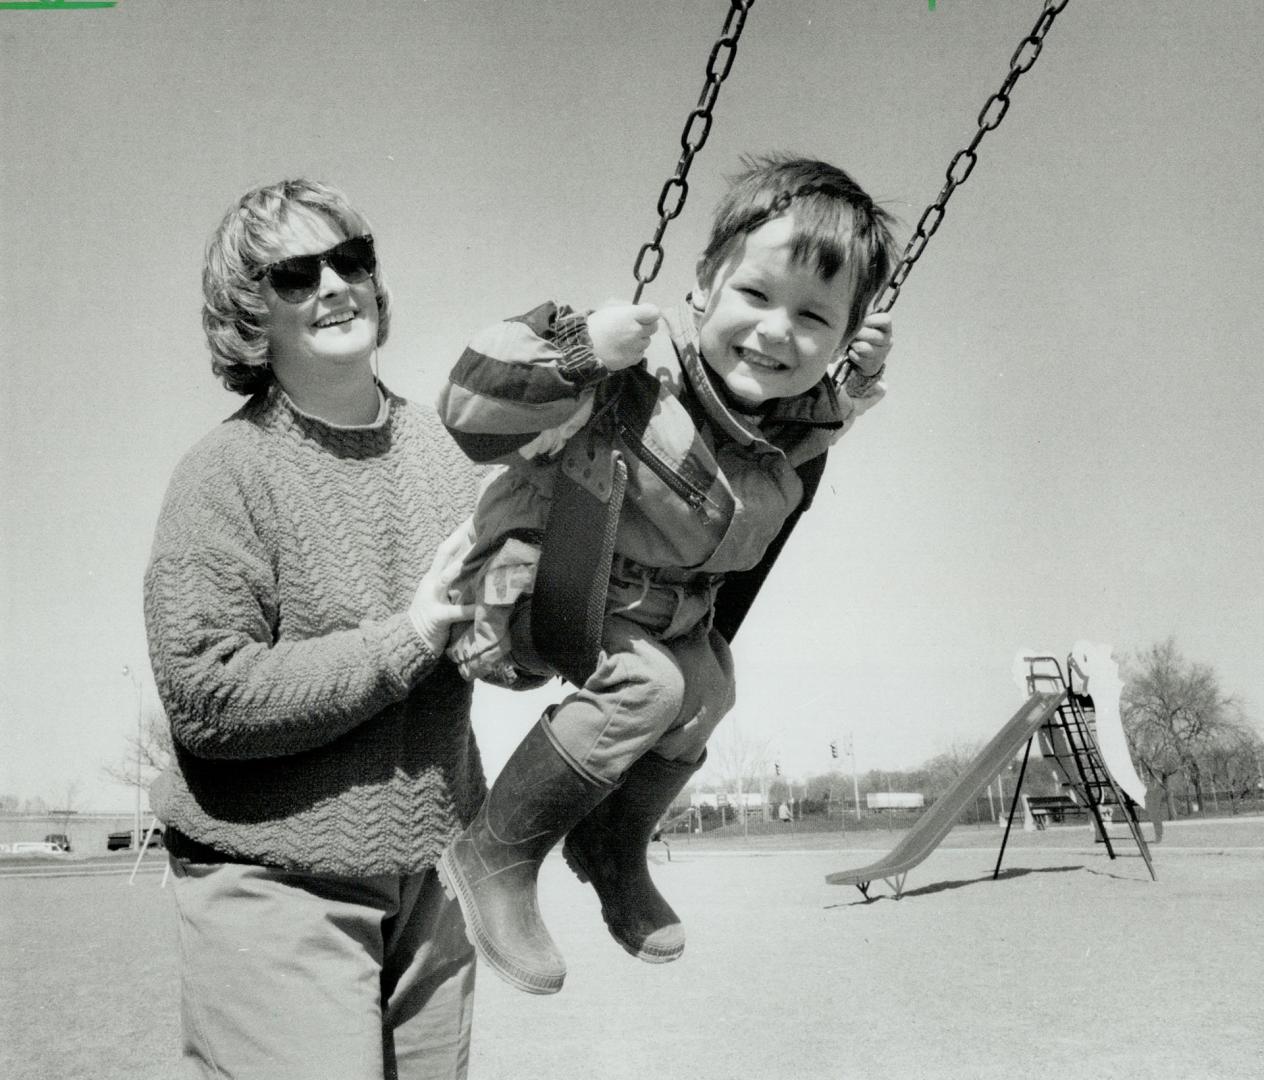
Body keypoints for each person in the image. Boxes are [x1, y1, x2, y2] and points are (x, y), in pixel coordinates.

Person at [435, 154, 898, 995]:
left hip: (659, 611)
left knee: (711, 687)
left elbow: (817, 429)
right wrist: (579, 350)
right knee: (648, 686)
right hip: (549, 590)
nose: (774, 332)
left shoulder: (778, 422)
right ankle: (496, 853)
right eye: (755, 296)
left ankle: (610, 847)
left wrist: (856, 380)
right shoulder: (629, 374)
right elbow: (469, 406)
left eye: (813, 320)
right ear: (704, 285)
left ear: (836, 340)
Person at [144, 179, 484, 1079]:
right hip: (270, 884)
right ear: (250, 314)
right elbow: (205, 695)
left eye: (352, 260)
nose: (334, 286)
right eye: (296, 275)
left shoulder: (450, 456)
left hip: (433, 882)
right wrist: (408, 637)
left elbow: (496, 646)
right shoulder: (224, 472)